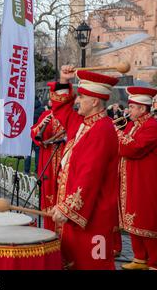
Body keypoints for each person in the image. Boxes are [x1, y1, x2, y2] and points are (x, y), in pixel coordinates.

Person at [48, 66, 119, 270]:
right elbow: (61, 109)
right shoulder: (83, 123)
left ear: (95, 101)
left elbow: (89, 175)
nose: (76, 101)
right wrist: (63, 79)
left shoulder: (102, 129)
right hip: (78, 213)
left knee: (90, 264)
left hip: (92, 215)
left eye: (80, 97)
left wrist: (68, 207)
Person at [117, 87, 157, 270]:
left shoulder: (152, 126)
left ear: (143, 109)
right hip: (134, 178)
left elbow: (133, 148)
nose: (129, 110)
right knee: (133, 218)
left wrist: (117, 134)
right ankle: (140, 258)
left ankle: (155, 262)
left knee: (147, 219)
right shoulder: (135, 125)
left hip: (146, 182)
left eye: (133, 107)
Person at [30, 98, 65, 231]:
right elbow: (33, 134)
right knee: (48, 199)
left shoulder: (72, 117)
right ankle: (50, 233)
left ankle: (63, 237)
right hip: (48, 162)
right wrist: (40, 127)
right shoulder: (46, 115)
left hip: (64, 162)